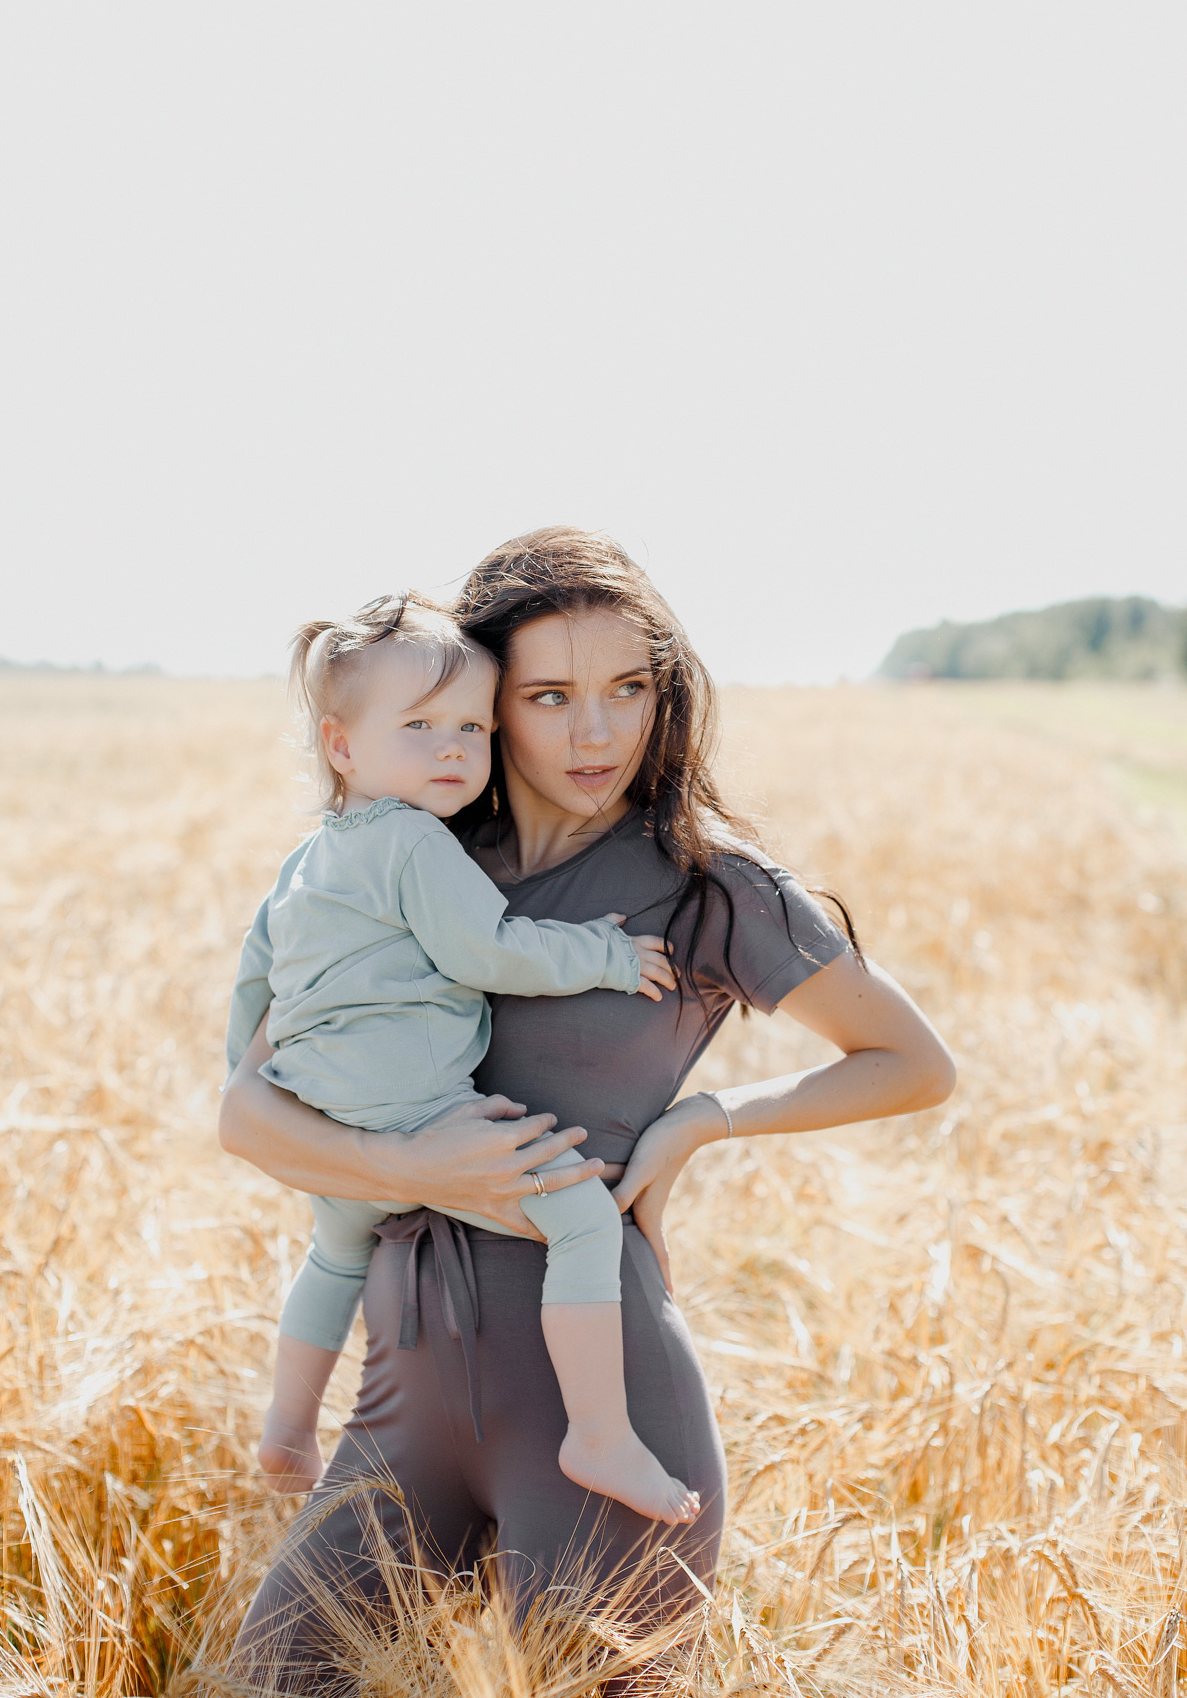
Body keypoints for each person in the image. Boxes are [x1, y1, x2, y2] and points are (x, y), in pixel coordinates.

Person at [220, 527, 955, 1686]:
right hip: (398, 1396)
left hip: (601, 1412)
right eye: (550, 695)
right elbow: (244, 1114)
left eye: (629, 690)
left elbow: (912, 1061)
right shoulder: (402, 857)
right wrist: (425, 1172)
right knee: (274, 1673)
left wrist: (701, 1120)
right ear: (483, 700)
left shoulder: (710, 887)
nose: (597, 732)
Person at [236, 592, 697, 1525]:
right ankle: (599, 1434)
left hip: (323, 1106)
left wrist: (273, 1084)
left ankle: (287, 1424)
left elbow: (255, 992)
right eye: (419, 727)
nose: (453, 748)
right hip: (411, 1103)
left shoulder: (305, 860)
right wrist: (604, 955)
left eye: (472, 727)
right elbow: (485, 949)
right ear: (341, 747)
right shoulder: (413, 840)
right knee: (579, 1222)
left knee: (335, 1253)